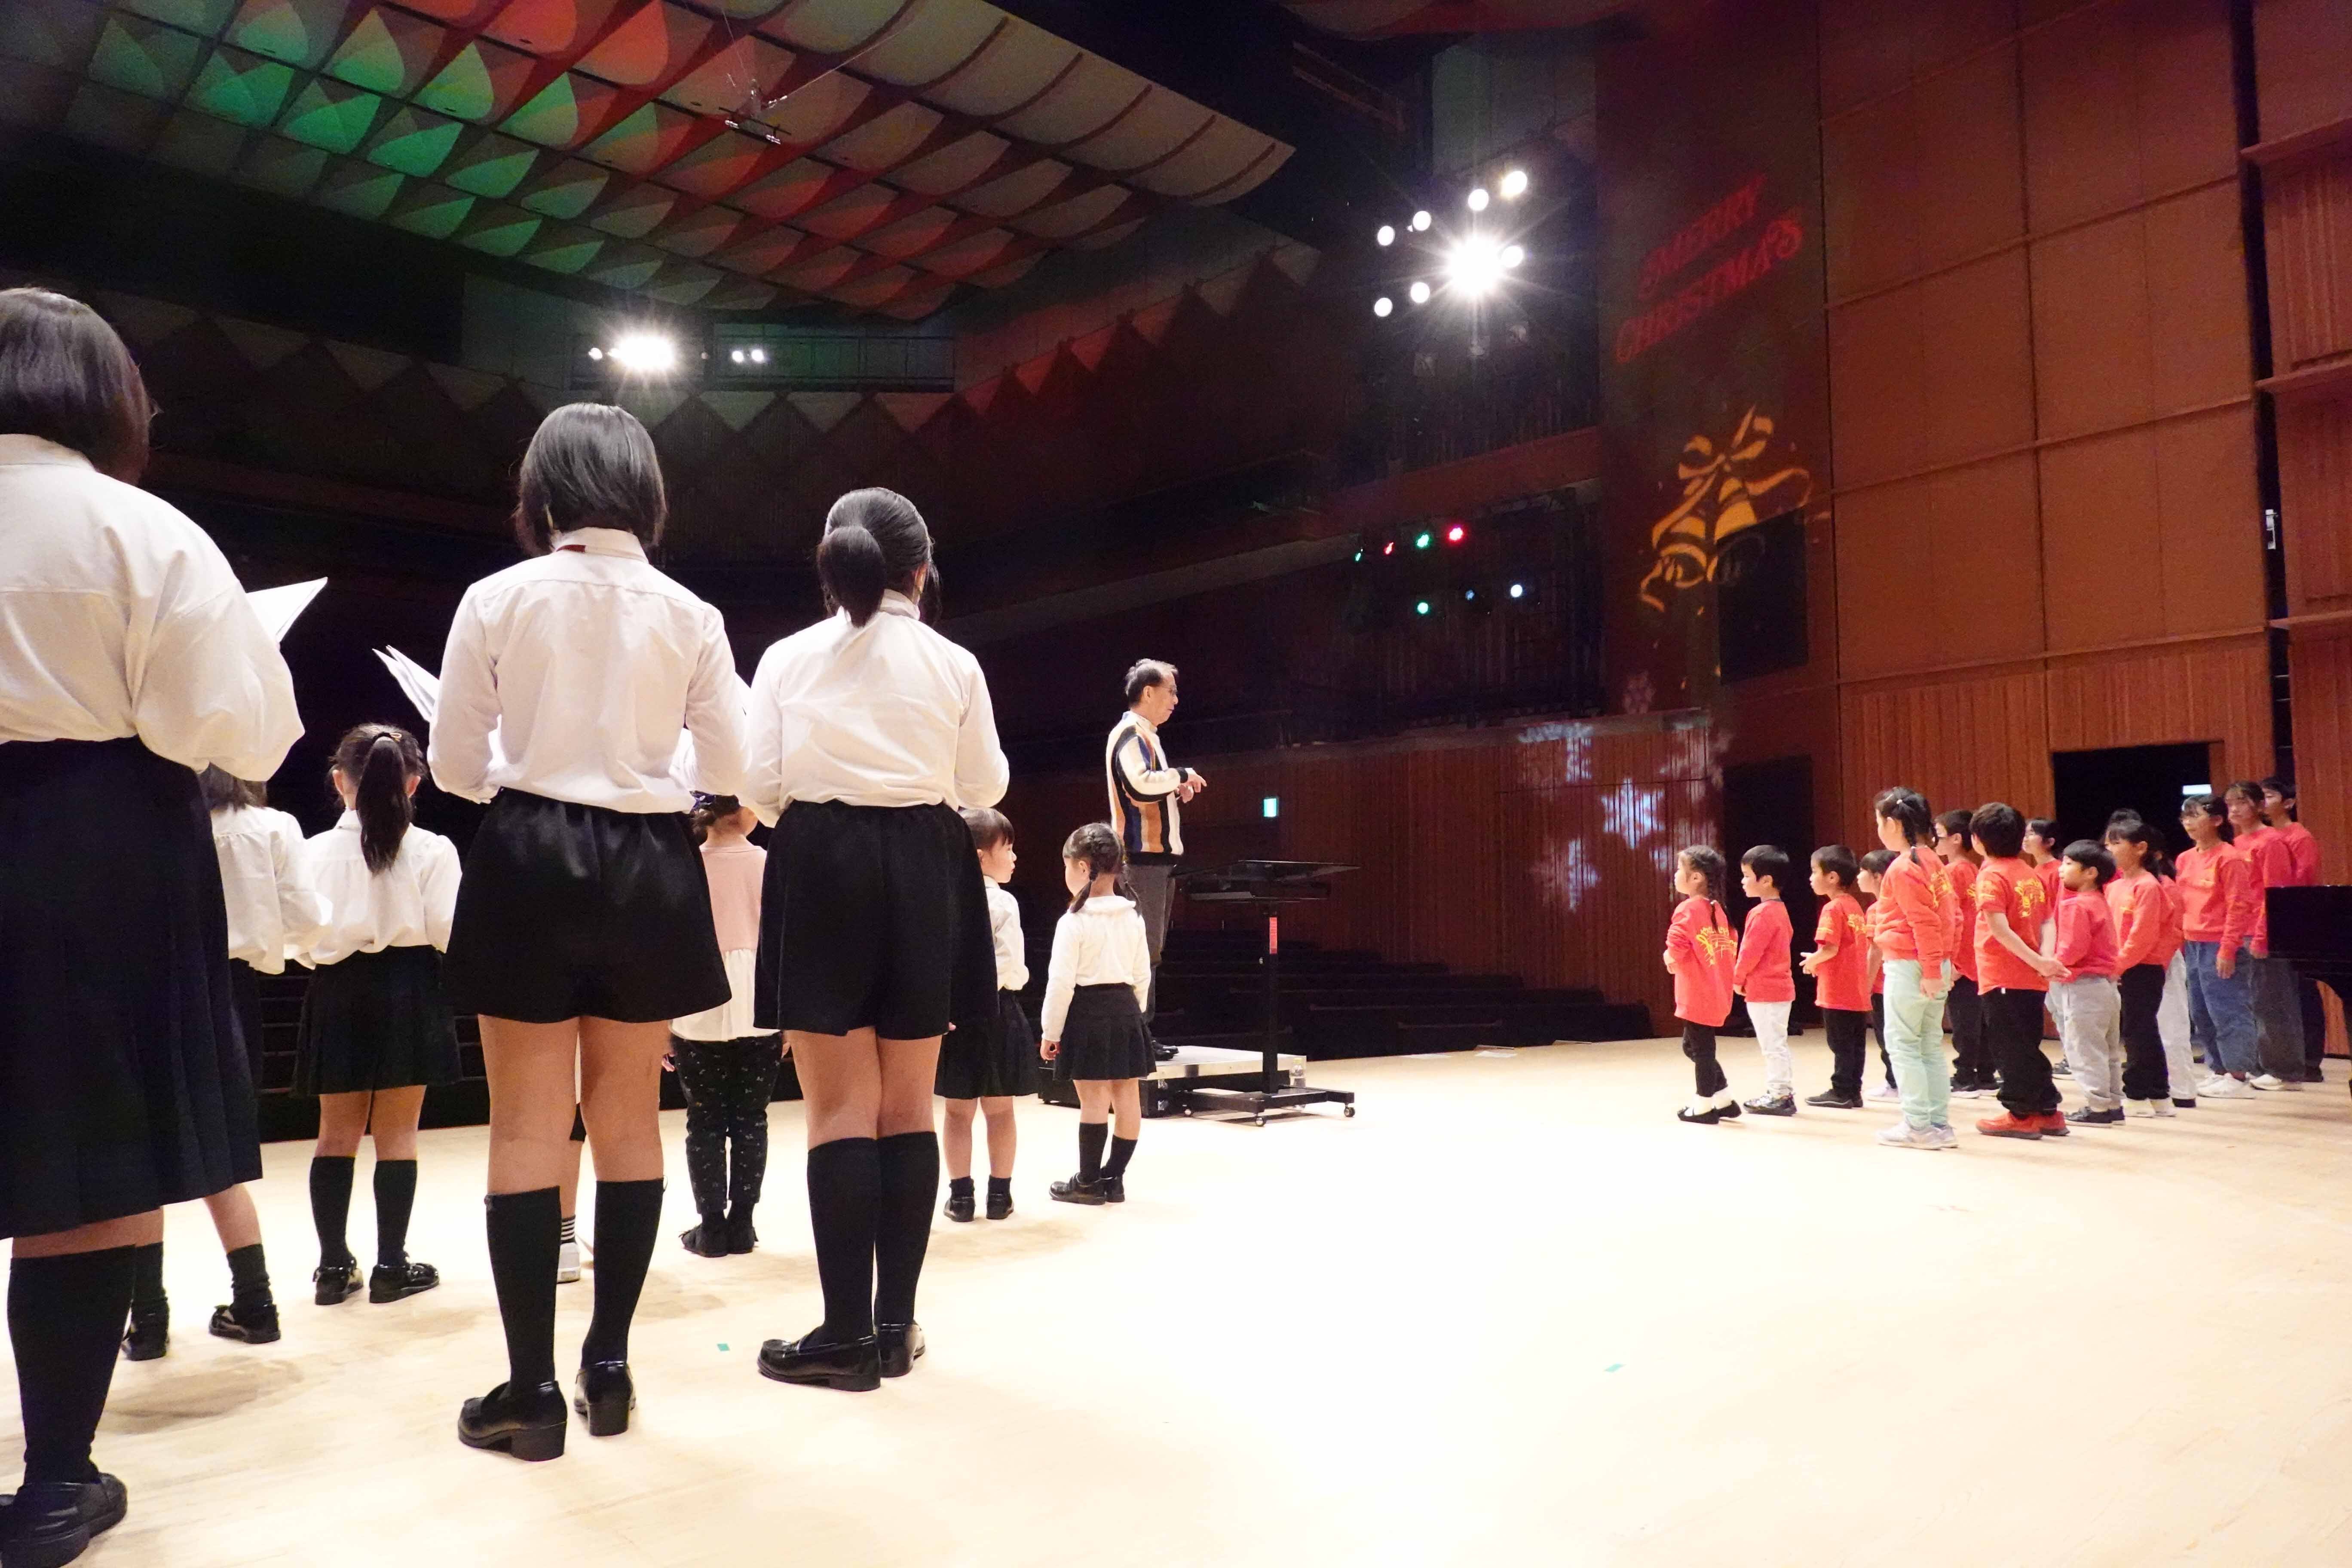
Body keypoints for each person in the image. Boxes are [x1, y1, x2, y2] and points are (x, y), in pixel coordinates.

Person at [0, 286, 301, 1566]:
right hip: (95, 847)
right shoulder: (142, 529)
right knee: (86, 1166)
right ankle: (53, 1485)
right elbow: (245, 732)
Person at [434, 402, 747, 1459]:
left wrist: (530, 772)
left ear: (543, 492)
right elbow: (731, 767)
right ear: (645, 494)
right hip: (651, 861)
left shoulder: (497, 596)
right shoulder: (691, 612)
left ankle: (528, 1392)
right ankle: (607, 1366)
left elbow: (452, 766)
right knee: (628, 1118)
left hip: (526, 849)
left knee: (526, 1127)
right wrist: (648, 773)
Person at [745, 487, 1007, 1395]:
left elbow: (760, 787)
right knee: (908, 1108)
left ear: (833, 566)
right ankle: (895, 1329)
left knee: (838, 1112)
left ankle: (844, 1335)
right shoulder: (954, 663)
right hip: (929, 865)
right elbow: (984, 784)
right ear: (921, 572)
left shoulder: (786, 657)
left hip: (821, 861)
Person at [122, 768, 328, 1360]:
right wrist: (275, 945)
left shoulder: (155, 823)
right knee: (224, 1154)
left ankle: (149, 1321)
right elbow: (307, 919)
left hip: (154, 988)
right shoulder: (273, 827)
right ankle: (256, 1304)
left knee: (144, 1156)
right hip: (232, 993)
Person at [293, 724, 461, 1311]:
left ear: (340, 781)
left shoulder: (313, 851)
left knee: (334, 1134)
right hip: (409, 989)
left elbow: (299, 936)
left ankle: (333, 1269)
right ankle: (392, 1266)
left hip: (337, 990)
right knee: (398, 1135)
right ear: (413, 783)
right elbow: (448, 931)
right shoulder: (433, 849)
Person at [671, 795, 782, 1259]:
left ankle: (712, 1226)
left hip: (698, 994)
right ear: (747, 810)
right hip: (761, 998)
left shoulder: (685, 865)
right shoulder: (769, 863)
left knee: (705, 1120)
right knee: (752, 1117)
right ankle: (743, 1223)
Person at [1040, 823, 1155, 1197]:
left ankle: (1088, 1181)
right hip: (1126, 1010)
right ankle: (1114, 1178)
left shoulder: (1073, 922)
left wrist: (1050, 1032)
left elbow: (1060, 983)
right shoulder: (1133, 916)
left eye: (1067, 865)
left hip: (1087, 1012)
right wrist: (1134, 1015)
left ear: (1083, 867)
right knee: (1127, 1098)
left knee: (1093, 1100)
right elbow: (1142, 974)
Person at [940, 807, 1038, 1221]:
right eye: (1008, 848)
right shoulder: (1003, 902)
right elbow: (1010, 965)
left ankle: (961, 1198)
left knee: (956, 1113)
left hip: (955, 1017)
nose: (1014, 857)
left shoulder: (941, 897)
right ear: (980, 856)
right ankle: (1000, 1197)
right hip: (998, 1013)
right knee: (1000, 1111)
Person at [1105, 660, 1204, 1039]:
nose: (1176, 701)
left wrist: (1174, 788)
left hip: (1154, 859)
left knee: (1150, 949)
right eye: (1171, 692)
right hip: (1140, 857)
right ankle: (1137, 1035)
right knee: (1143, 949)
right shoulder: (1131, 733)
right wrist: (1181, 775)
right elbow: (1139, 785)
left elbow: (1146, 789)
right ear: (1148, 692)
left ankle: (1141, 1034)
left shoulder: (1145, 735)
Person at [1969, 803, 2065, 1139]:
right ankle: (2048, 1111)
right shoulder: (2030, 873)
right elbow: (2049, 921)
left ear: (1978, 840)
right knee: (2027, 1045)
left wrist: (2040, 961)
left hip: (2005, 974)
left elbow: (1999, 929)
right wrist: (2044, 958)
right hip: (2032, 975)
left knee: (2010, 1048)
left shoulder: (1991, 875)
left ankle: (2021, 1113)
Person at [1867, 787, 1955, 1151]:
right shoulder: (1933, 860)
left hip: (1910, 965)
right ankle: (1938, 1124)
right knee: (1929, 1046)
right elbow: (1951, 916)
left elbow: (1923, 921)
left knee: (1903, 1046)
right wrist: (1945, 963)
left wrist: (1932, 969)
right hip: (1935, 963)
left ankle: (1918, 1126)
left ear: (1892, 823)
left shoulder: (1904, 867)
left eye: (1878, 822)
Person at [2177, 792, 2260, 1099]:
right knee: (2201, 1011)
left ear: (2216, 820)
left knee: (2229, 1009)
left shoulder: (2230, 857)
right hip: (2193, 942)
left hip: (2220, 942)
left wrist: (2229, 947)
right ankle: (2219, 1069)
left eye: (2195, 816)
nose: (2188, 823)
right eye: (2185, 816)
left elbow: (2240, 905)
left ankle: (2239, 1074)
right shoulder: (2185, 858)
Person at [2226, 781, 2304, 1090]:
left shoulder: (2271, 842)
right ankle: (2261, 1064)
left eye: (2242, 802)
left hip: (2264, 932)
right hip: (2240, 930)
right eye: (2230, 803)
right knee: (2251, 1001)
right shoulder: (2236, 843)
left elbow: (2274, 894)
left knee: (2274, 1001)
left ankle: (2287, 1072)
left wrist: (2262, 936)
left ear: (2259, 806)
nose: (2234, 809)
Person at [2104, 815, 2178, 1115]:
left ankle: (2138, 1094)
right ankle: (2158, 1095)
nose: (2109, 849)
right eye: (2108, 843)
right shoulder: (2115, 886)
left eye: (2116, 843)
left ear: (2140, 848)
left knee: (2139, 1030)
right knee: (2139, 1029)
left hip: (2143, 967)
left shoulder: (2148, 886)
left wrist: (2119, 966)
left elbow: (2143, 935)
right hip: (2124, 966)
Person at [2259, 776, 2328, 1082]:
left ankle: (2310, 1060)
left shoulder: (2299, 837)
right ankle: (2276, 1057)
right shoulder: (2262, 837)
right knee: (2275, 994)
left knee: (2301, 991)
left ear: (2288, 803)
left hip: (2294, 921)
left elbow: (2301, 883)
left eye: (2269, 796)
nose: (2263, 802)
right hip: (2269, 919)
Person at [1664, 846, 1739, 1124]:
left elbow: (1677, 944)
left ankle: (1704, 1105)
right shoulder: (1718, 910)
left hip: (1697, 991)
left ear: (1696, 877)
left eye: (1679, 869)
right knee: (1692, 1047)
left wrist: (1669, 957)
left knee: (1702, 1050)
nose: (1675, 875)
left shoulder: (1688, 908)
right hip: (1716, 990)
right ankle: (1724, 1100)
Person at [2053, 841, 2125, 1127]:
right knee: (2108, 1050)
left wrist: (2050, 966)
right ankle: (2113, 1104)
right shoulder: (2099, 900)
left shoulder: (2077, 905)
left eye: (2069, 864)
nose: (2062, 869)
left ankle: (2098, 1107)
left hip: (2084, 987)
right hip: (2106, 986)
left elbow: (2072, 950)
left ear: (2091, 873)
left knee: (2085, 1049)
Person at [1800, 845, 1871, 1109]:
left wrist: (1812, 961)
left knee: (1840, 1044)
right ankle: (1853, 1091)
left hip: (1838, 990)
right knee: (1856, 1044)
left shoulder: (1832, 908)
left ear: (1832, 877)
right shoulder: (1854, 906)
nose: (1810, 878)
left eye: (1814, 872)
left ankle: (1841, 1091)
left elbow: (1830, 948)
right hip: (1856, 988)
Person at [1733, 845, 1796, 1116]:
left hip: (1766, 990)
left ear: (1766, 880)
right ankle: (1781, 1092)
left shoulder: (1761, 913)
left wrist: (1737, 978)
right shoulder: (1780, 910)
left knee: (1773, 1046)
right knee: (1776, 1044)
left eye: (1747, 876)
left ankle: (1780, 1095)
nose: (1743, 881)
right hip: (1780, 989)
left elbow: (1749, 952)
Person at [1935, 808, 1992, 1096]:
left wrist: (1952, 961)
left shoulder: (1952, 872)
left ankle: (1965, 1076)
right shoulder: (1973, 869)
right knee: (1977, 1020)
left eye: (1939, 836)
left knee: (1964, 1022)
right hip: (1975, 955)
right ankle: (1985, 1074)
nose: (1935, 841)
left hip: (1961, 957)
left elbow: (1952, 919)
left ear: (1957, 839)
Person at [1856, 851, 1900, 1102]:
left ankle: (1895, 1084)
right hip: (1899, 982)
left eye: (1863, 871)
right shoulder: (1897, 904)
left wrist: (1865, 985)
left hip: (1883, 985)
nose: (1858, 876)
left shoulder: (1877, 909)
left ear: (1878, 877)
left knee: (1887, 1038)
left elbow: (1875, 951)